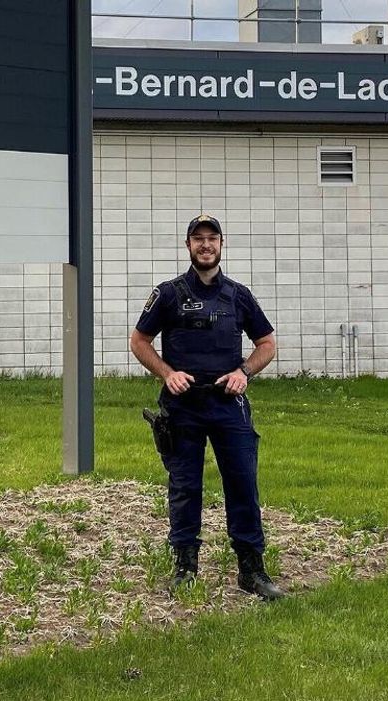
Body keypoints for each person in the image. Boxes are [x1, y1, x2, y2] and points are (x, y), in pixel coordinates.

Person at [130, 214, 285, 601]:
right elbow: (139, 340)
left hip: (228, 404)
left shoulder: (238, 295)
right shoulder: (168, 294)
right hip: (183, 406)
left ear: (221, 244)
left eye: (211, 238)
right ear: (188, 246)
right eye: (197, 238)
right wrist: (167, 374)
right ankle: (185, 566)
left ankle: (251, 569)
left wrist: (244, 372)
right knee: (185, 487)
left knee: (243, 484)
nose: (205, 245)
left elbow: (267, 343)